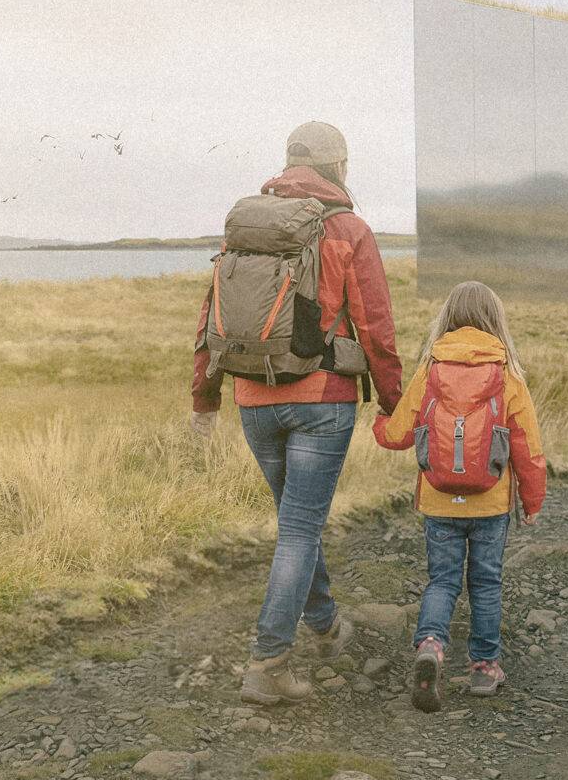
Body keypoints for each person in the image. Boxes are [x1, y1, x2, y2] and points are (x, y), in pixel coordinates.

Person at [190, 122, 404, 705]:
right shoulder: (348, 230)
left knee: (295, 526)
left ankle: (327, 626)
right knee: (300, 530)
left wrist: (203, 402)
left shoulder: (246, 229)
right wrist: (393, 402)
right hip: (322, 401)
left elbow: (211, 319)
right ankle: (268, 663)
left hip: (253, 398)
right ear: (339, 167)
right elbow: (376, 327)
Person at [370, 280, 547, 711]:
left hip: (438, 500)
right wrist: (532, 500)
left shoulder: (430, 370)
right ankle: (484, 668)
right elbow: (528, 446)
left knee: (443, 581)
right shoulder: (507, 374)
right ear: (495, 320)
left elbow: (397, 435)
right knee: (486, 583)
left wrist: (379, 421)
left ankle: (430, 644)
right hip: (491, 504)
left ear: (447, 317)